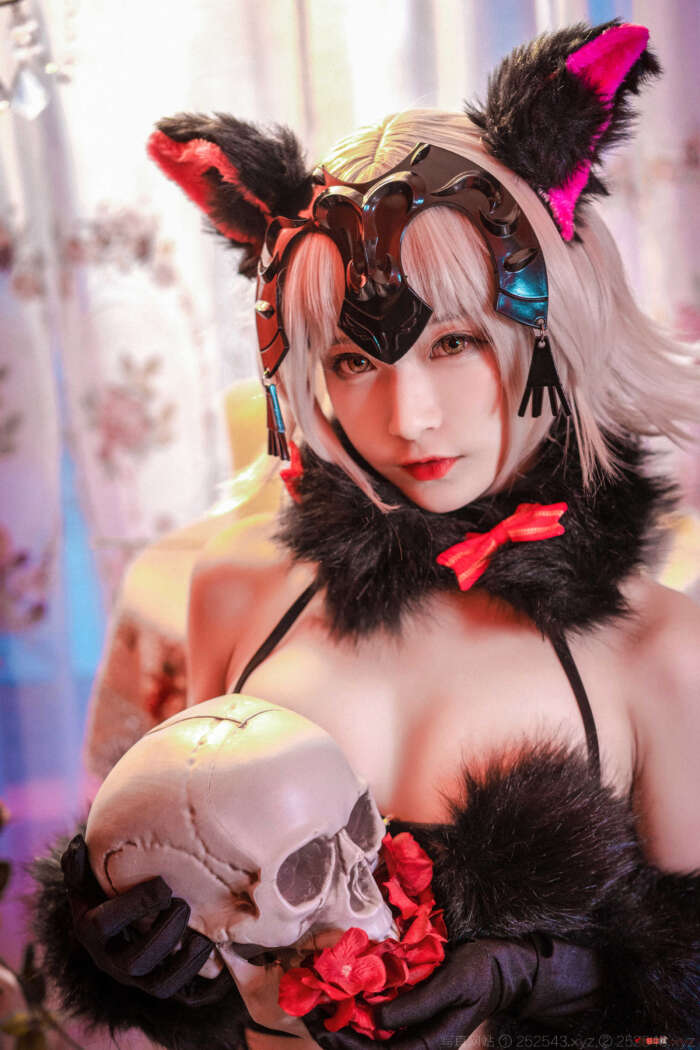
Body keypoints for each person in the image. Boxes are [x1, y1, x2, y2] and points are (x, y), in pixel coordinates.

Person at [33, 19, 699, 1050]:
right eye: (352, 362)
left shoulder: (658, 650)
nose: (410, 418)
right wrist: (141, 962)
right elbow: (207, 945)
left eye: (455, 342)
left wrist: (545, 976)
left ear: (554, 330)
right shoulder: (235, 588)